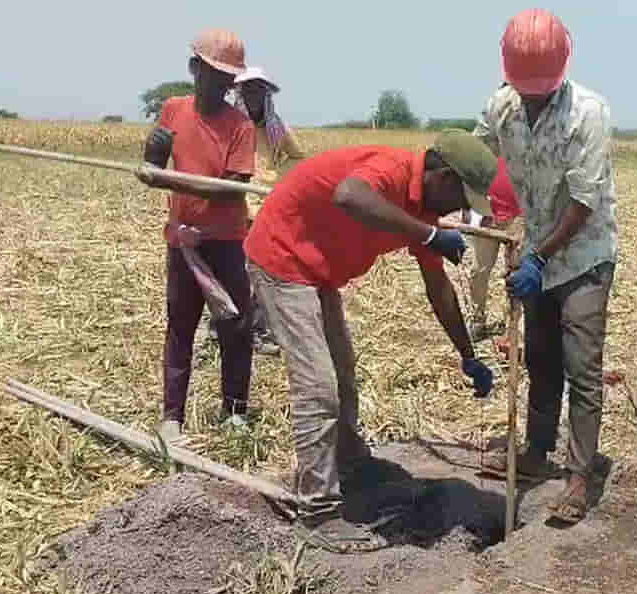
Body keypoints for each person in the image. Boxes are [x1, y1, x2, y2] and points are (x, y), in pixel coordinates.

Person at [244, 130, 498, 549]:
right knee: (317, 387)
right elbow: (348, 195)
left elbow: (439, 288)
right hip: (283, 258)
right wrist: (427, 234)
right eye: (461, 197)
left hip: (318, 271)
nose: (458, 209)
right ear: (442, 175)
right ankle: (319, 511)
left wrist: (467, 355)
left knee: (343, 372)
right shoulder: (392, 170)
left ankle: (349, 464)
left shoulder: (423, 213)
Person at [475, 9, 618, 526]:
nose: (531, 97)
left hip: (582, 256)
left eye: (540, 89)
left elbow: (583, 202)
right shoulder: (501, 106)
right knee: (539, 359)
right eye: (524, 88)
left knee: (581, 365)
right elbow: (476, 157)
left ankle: (580, 472)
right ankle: (537, 452)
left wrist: (540, 255)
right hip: (533, 246)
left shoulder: (589, 113)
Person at [137, 28, 256, 445]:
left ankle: (235, 411)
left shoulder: (241, 125)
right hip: (183, 240)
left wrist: (174, 180)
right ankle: (172, 417)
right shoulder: (172, 110)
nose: (221, 84)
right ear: (194, 69)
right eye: (213, 74)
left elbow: (232, 187)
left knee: (236, 328)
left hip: (225, 241)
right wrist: (151, 158)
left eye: (227, 78)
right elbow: (153, 171)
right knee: (180, 326)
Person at [234, 66, 307, 356]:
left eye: (258, 91)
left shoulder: (278, 129)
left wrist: (283, 183)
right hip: (236, 206)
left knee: (265, 273)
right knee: (235, 272)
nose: (253, 97)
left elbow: (299, 159)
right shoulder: (232, 128)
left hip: (267, 210)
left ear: (265, 96)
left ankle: (261, 332)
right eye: (247, 91)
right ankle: (226, 328)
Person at [459, 155, 521, 341]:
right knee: (479, 270)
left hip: (518, 217)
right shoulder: (486, 145)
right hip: (488, 215)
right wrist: (470, 209)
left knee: (518, 271)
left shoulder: (527, 143)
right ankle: (478, 321)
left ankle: (515, 324)